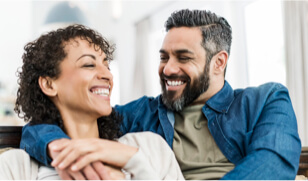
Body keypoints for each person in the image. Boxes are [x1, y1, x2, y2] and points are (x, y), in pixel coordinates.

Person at [20, 9, 301, 180]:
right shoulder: (142, 115)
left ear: (219, 62)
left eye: (183, 57)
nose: (168, 68)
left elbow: (273, 166)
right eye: (164, 56)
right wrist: (56, 147)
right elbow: (43, 125)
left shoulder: (265, 101)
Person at [0, 24, 184, 180]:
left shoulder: (149, 148)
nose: (106, 74)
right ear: (49, 84)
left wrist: (135, 162)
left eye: (107, 64)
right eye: (89, 64)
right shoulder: (16, 167)